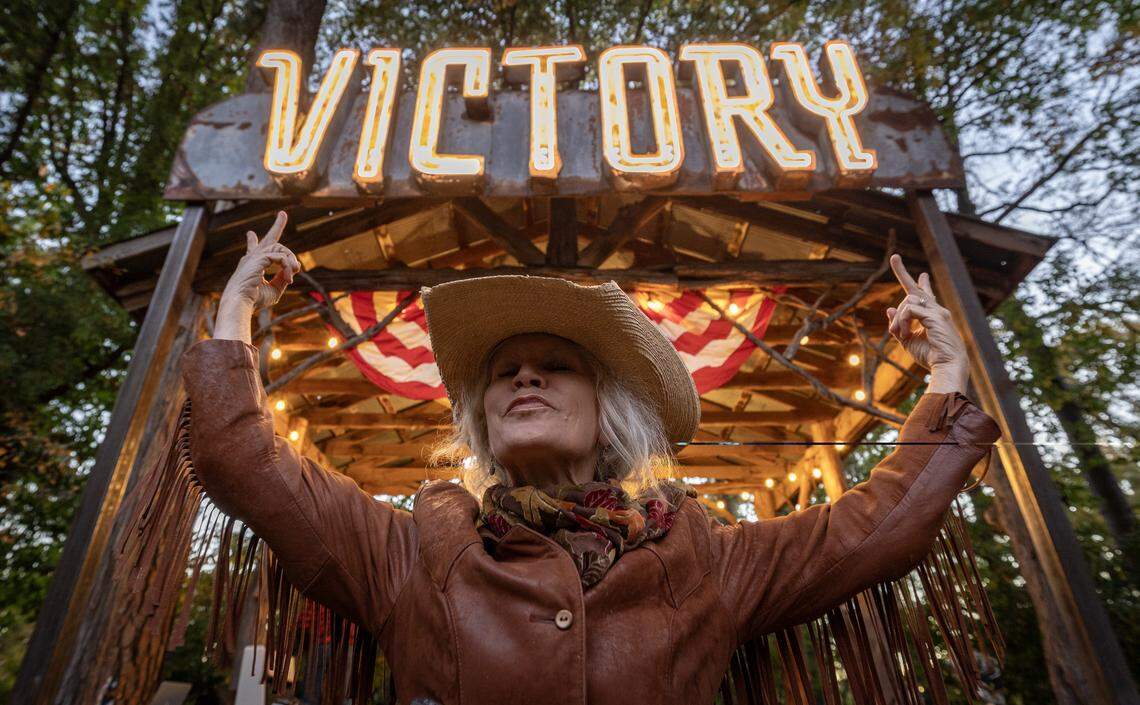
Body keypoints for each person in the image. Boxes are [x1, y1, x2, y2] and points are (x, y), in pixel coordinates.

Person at [180, 211, 1001, 705]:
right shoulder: (408, 553)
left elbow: (875, 527)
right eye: (503, 373)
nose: (523, 376)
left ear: (612, 411)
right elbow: (244, 458)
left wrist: (948, 375)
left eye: (554, 364)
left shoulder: (705, 558)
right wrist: (240, 311)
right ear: (485, 423)